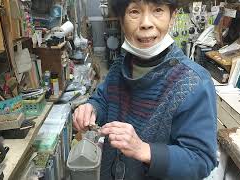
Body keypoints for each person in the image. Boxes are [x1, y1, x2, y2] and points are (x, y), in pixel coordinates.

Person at [73, 0, 217, 179]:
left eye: (157, 10)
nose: (146, 23)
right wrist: (92, 108)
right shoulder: (121, 65)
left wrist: (143, 150)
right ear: (121, 19)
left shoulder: (194, 83)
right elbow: (104, 98)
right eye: (134, 11)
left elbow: (201, 161)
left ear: (172, 17)